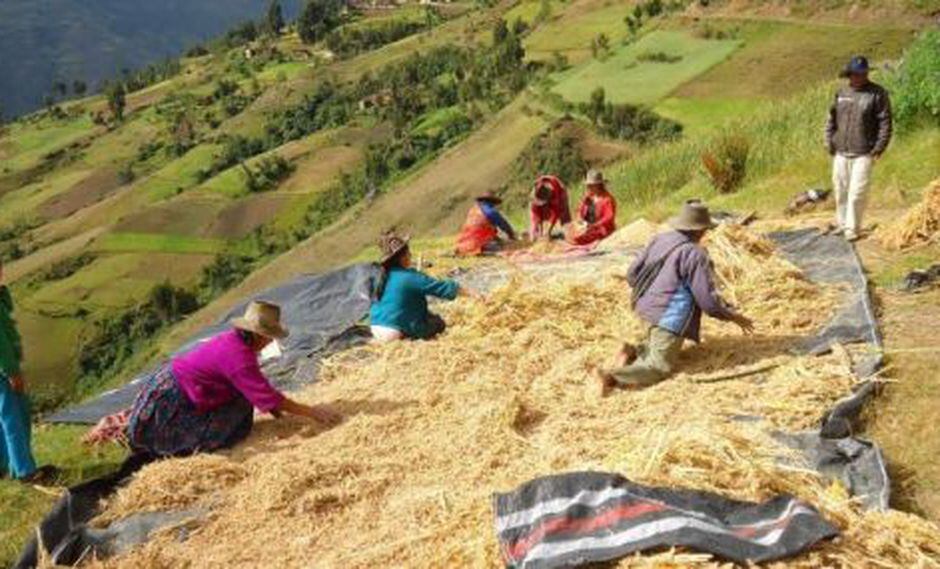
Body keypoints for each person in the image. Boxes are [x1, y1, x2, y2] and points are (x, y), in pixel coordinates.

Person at [126, 301, 341, 457]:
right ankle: (183, 443)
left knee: (242, 398)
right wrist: (313, 413)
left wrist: (279, 414)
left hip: (173, 384)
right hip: (169, 403)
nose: (269, 343)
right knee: (237, 418)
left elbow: (261, 393)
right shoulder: (239, 357)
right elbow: (268, 397)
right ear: (258, 335)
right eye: (269, 338)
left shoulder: (234, 341)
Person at [598, 200, 754, 395]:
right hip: (668, 318)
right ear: (701, 230)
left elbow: (631, 275)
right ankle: (613, 377)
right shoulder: (695, 254)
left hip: (642, 308)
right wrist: (733, 316)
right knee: (660, 366)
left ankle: (632, 351)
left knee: (657, 343)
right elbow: (708, 302)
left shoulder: (660, 239)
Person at [0, 260, 58, 484]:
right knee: (15, 417)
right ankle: (25, 472)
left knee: (6, 417)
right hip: (3, 372)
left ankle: (8, 467)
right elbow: (1, 343)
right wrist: (11, 371)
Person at [824, 55, 892, 242]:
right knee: (841, 190)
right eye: (856, 74)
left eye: (863, 74)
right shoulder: (841, 93)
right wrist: (828, 140)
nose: (859, 77)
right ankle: (842, 223)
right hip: (841, 151)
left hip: (864, 152)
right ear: (850, 74)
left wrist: (879, 147)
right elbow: (831, 118)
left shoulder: (877, 94)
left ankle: (853, 228)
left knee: (857, 193)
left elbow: (885, 122)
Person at [371, 231, 478, 342]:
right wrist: (473, 294)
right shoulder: (410, 277)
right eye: (408, 253)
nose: (410, 256)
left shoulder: (381, 277)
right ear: (402, 257)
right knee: (437, 323)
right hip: (394, 331)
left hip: (375, 327)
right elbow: (442, 288)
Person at [456, 191, 517, 256]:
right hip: (479, 244)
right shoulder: (491, 211)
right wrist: (512, 235)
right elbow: (504, 225)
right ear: (493, 202)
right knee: (506, 247)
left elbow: (481, 229)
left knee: (500, 242)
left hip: (463, 243)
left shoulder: (473, 210)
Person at [569, 169, 617, 246]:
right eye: (588, 185)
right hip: (587, 227)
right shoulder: (588, 197)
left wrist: (593, 226)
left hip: (601, 230)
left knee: (576, 239)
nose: (588, 187)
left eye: (591, 185)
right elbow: (579, 210)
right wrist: (580, 220)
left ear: (598, 185)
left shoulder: (607, 199)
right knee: (568, 233)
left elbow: (609, 218)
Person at [529, 175, 572, 241]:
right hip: (543, 196)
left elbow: (555, 213)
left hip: (560, 192)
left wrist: (548, 231)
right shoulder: (536, 191)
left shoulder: (555, 194)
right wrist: (539, 230)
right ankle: (539, 233)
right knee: (537, 225)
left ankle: (568, 234)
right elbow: (536, 213)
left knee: (564, 215)